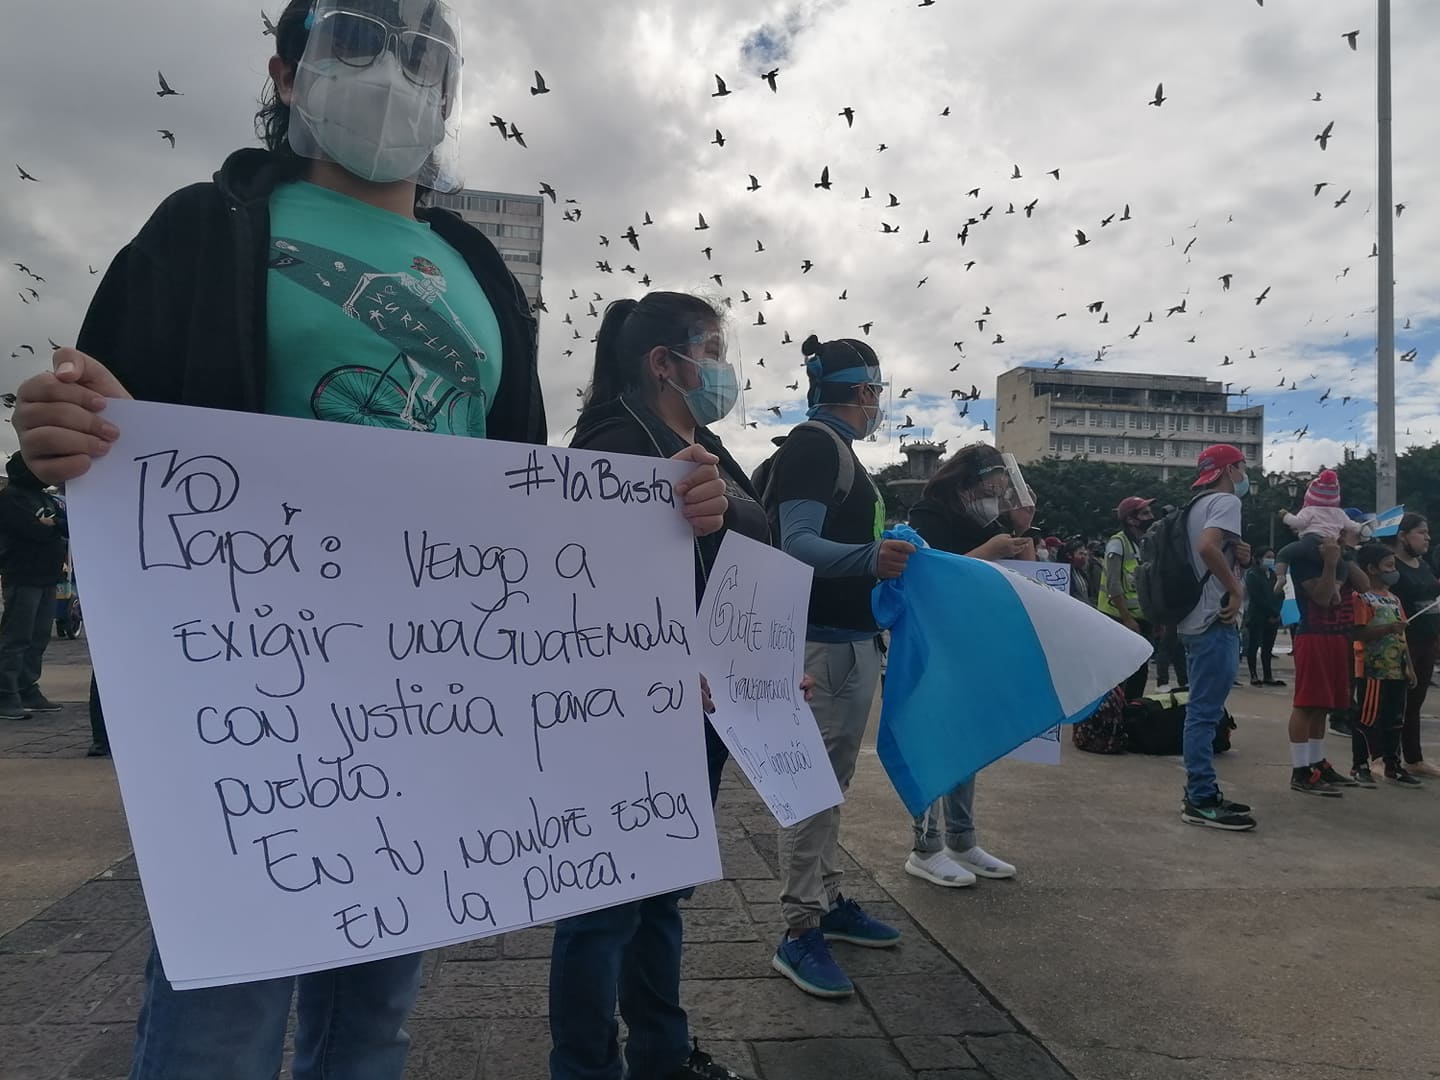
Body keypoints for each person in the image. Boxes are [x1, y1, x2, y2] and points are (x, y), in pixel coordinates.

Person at [11, 3, 728, 1076]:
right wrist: (56, 430)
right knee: (222, 1017)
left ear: (449, 87)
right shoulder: (202, 226)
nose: (392, 74)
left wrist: (653, 521)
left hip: (419, 704)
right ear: (285, 72)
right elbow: (105, 429)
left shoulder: (479, 269)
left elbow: (519, 496)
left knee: (377, 1016)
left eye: (422, 53)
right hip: (248, 694)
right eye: (355, 41)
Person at [553, 292, 765, 1080]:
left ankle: (661, 1053)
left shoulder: (705, 441)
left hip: (706, 708)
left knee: (661, 895)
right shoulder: (616, 440)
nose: (723, 366)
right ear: (663, 363)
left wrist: (766, 664)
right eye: (711, 349)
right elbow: (583, 587)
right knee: (603, 908)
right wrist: (665, 667)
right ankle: (584, 1066)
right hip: (631, 714)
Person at [763, 333, 912, 999]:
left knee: (831, 786)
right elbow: (796, 543)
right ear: (863, 391)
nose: (879, 402)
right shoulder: (814, 446)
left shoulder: (838, 449)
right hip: (819, 645)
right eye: (878, 391)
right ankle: (798, 930)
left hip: (849, 643)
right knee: (811, 789)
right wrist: (871, 559)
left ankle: (826, 901)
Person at [901, 444, 1027, 888]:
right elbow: (928, 576)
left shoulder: (985, 523)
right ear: (968, 483)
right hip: (930, 643)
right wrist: (990, 549)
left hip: (969, 642)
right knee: (933, 741)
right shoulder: (929, 515)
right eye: (991, 486)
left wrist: (1018, 537)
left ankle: (962, 837)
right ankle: (926, 846)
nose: (996, 495)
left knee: (965, 742)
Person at [1176, 445, 1256, 830]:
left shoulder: (1197, 504)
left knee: (1201, 711)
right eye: (1243, 467)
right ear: (1231, 469)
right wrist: (1235, 589)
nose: (1244, 475)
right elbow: (1207, 547)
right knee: (1205, 714)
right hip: (1214, 620)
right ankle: (1201, 798)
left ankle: (1201, 791)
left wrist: (1240, 559)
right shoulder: (1225, 501)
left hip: (1192, 618)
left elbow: (1208, 548)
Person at [1279, 517, 1370, 798]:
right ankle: (1300, 770)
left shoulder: (1340, 555)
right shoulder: (1306, 558)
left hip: (1336, 636)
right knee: (1307, 704)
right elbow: (1323, 597)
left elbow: (1364, 586)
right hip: (1313, 634)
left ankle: (1317, 762)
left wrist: (1346, 555)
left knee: (1323, 705)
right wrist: (1330, 563)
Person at [0, 452, 69, 720]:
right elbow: (33, 531)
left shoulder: (44, 498)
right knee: (16, 636)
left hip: (47, 576)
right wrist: (51, 526)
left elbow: (67, 526)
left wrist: (54, 524)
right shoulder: (11, 498)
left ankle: (27, 686)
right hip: (22, 575)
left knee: (38, 636)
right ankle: (5, 692)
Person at [1347, 544, 1420, 787]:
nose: (1393, 571)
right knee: (1367, 719)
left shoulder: (1394, 599)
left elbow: (1402, 637)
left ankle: (1392, 764)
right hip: (1372, 670)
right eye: (1389, 566)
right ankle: (1360, 765)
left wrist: (1408, 665)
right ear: (1371, 569)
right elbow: (1357, 633)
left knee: (1394, 719)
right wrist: (1388, 628)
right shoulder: (1361, 597)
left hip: (1395, 670)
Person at [1388, 515, 1440, 778]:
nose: (1427, 538)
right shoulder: (1391, 566)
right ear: (1402, 536)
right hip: (1401, 642)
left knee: (1415, 702)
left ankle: (1413, 757)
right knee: (1395, 701)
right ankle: (1384, 758)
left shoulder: (1424, 565)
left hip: (1427, 641)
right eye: (1421, 532)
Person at [1099, 496, 1156, 699]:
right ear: (1131, 520)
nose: (1151, 516)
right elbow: (1113, 585)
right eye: (1145, 513)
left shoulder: (1146, 542)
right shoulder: (1118, 543)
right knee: (1121, 674)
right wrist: (1127, 618)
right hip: (1119, 618)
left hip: (1141, 619)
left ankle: (1132, 718)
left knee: (1139, 673)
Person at [1280, 470, 1363, 546]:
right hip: (1332, 541)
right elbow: (1351, 526)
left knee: (1284, 554)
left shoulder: (1309, 510)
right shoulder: (1339, 513)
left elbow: (1299, 523)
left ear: (1310, 495)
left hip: (1310, 540)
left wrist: (1286, 516)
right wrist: (1362, 527)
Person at [1243, 548, 1286, 687]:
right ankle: (1254, 675)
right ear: (1258, 558)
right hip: (1257, 616)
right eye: (1268, 556)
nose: (1271, 560)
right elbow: (1257, 598)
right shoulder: (1252, 575)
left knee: (1268, 648)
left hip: (1273, 617)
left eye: (1273, 557)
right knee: (1253, 646)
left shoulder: (1273, 575)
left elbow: (1281, 594)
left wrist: (1276, 611)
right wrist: (1270, 611)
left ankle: (1268, 676)